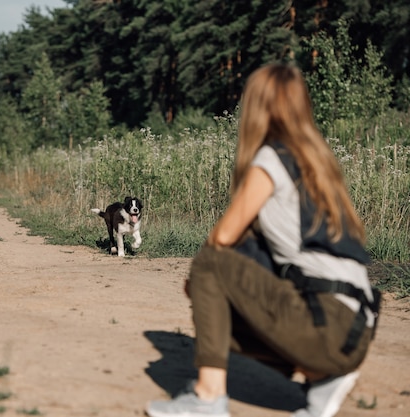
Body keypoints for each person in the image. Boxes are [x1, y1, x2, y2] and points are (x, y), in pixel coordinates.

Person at [146, 63, 380, 417]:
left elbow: (221, 238)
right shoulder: (318, 164)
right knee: (223, 306)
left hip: (327, 322)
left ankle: (207, 399)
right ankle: (323, 377)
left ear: (257, 107)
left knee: (209, 263)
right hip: (355, 327)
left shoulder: (272, 158)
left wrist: (198, 283)